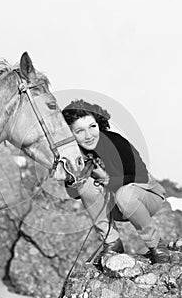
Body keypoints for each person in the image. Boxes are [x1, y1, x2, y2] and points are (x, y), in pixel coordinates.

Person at [62, 99, 170, 264]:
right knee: (87, 186)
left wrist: (106, 179)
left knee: (124, 195)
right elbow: (75, 194)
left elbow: (138, 176)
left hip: (146, 196)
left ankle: (156, 246)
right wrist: (74, 179)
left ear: (99, 123)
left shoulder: (116, 141)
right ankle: (112, 243)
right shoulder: (76, 155)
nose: (89, 135)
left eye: (92, 127)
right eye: (80, 131)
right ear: (71, 134)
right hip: (116, 206)